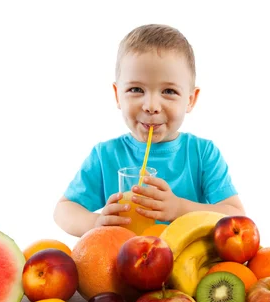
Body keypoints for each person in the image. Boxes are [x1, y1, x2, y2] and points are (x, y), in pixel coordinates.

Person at [54, 24, 246, 237]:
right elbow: (63, 210)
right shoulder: (105, 156)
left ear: (190, 100)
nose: (151, 105)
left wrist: (179, 209)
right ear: (118, 95)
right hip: (121, 267)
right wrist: (95, 222)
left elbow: (237, 217)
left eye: (169, 91)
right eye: (136, 89)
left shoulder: (202, 154)